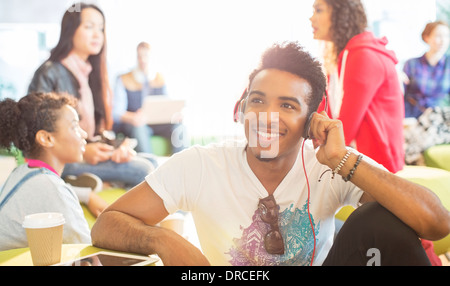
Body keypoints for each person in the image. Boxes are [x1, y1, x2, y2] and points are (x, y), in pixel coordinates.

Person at [90, 42, 450, 266]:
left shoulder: (328, 165)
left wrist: (343, 160)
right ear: (242, 107)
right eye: (258, 100)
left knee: (376, 220)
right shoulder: (199, 164)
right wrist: (164, 239)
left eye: (288, 106)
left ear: (312, 119)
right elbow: (107, 223)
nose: (266, 116)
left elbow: (436, 223)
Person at [28, 3, 155, 188]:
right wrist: (83, 150)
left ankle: (95, 186)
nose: (97, 34)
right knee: (144, 169)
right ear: (70, 30)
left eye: (101, 28)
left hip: (86, 154)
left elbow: (94, 133)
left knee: (154, 162)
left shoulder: (91, 73)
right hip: (66, 160)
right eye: (89, 27)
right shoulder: (49, 73)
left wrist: (118, 148)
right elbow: (37, 134)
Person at [309, 0, 405, 173]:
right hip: (361, 159)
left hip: (376, 168)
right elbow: (327, 110)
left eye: (319, 10)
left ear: (341, 15)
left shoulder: (362, 55)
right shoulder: (344, 54)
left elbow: (344, 129)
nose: (311, 18)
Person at [0, 92, 92, 250]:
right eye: (74, 126)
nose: (84, 134)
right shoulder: (51, 187)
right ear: (46, 138)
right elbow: (87, 252)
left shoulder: (22, 173)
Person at [113, 41, 187, 154]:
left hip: (157, 123)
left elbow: (166, 104)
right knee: (139, 127)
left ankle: (182, 163)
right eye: (140, 56)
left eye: (146, 56)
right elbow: (116, 112)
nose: (143, 60)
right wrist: (133, 117)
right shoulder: (123, 79)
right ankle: (150, 165)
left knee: (179, 125)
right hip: (136, 123)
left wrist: (174, 115)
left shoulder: (159, 78)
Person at [402, 21, 450, 119]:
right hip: (411, 119)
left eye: (446, 36)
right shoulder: (411, 64)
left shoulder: (448, 65)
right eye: (438, 36)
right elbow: (399, 94)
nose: (443, 40)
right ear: (426, 37)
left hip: (436, 120)